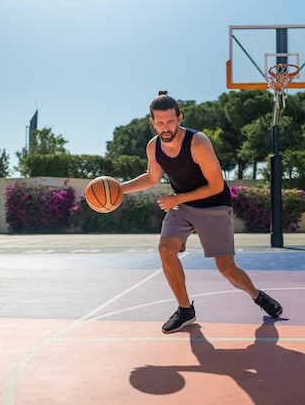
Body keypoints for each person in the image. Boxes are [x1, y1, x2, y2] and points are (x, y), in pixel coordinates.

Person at [120, 91, 283, 333]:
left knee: (227, 269)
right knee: (165, 249)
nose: (165, 127)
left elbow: (216, 186)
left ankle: (257, 295)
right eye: (160, 122)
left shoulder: (198, 142)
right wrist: (119, 189)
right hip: (183, 206)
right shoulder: (153, 147)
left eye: (170, 121)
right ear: (152, 122)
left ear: (179, 118)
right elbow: (152, 177)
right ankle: (186, 310)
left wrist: (177, 198)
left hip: (214, 204)